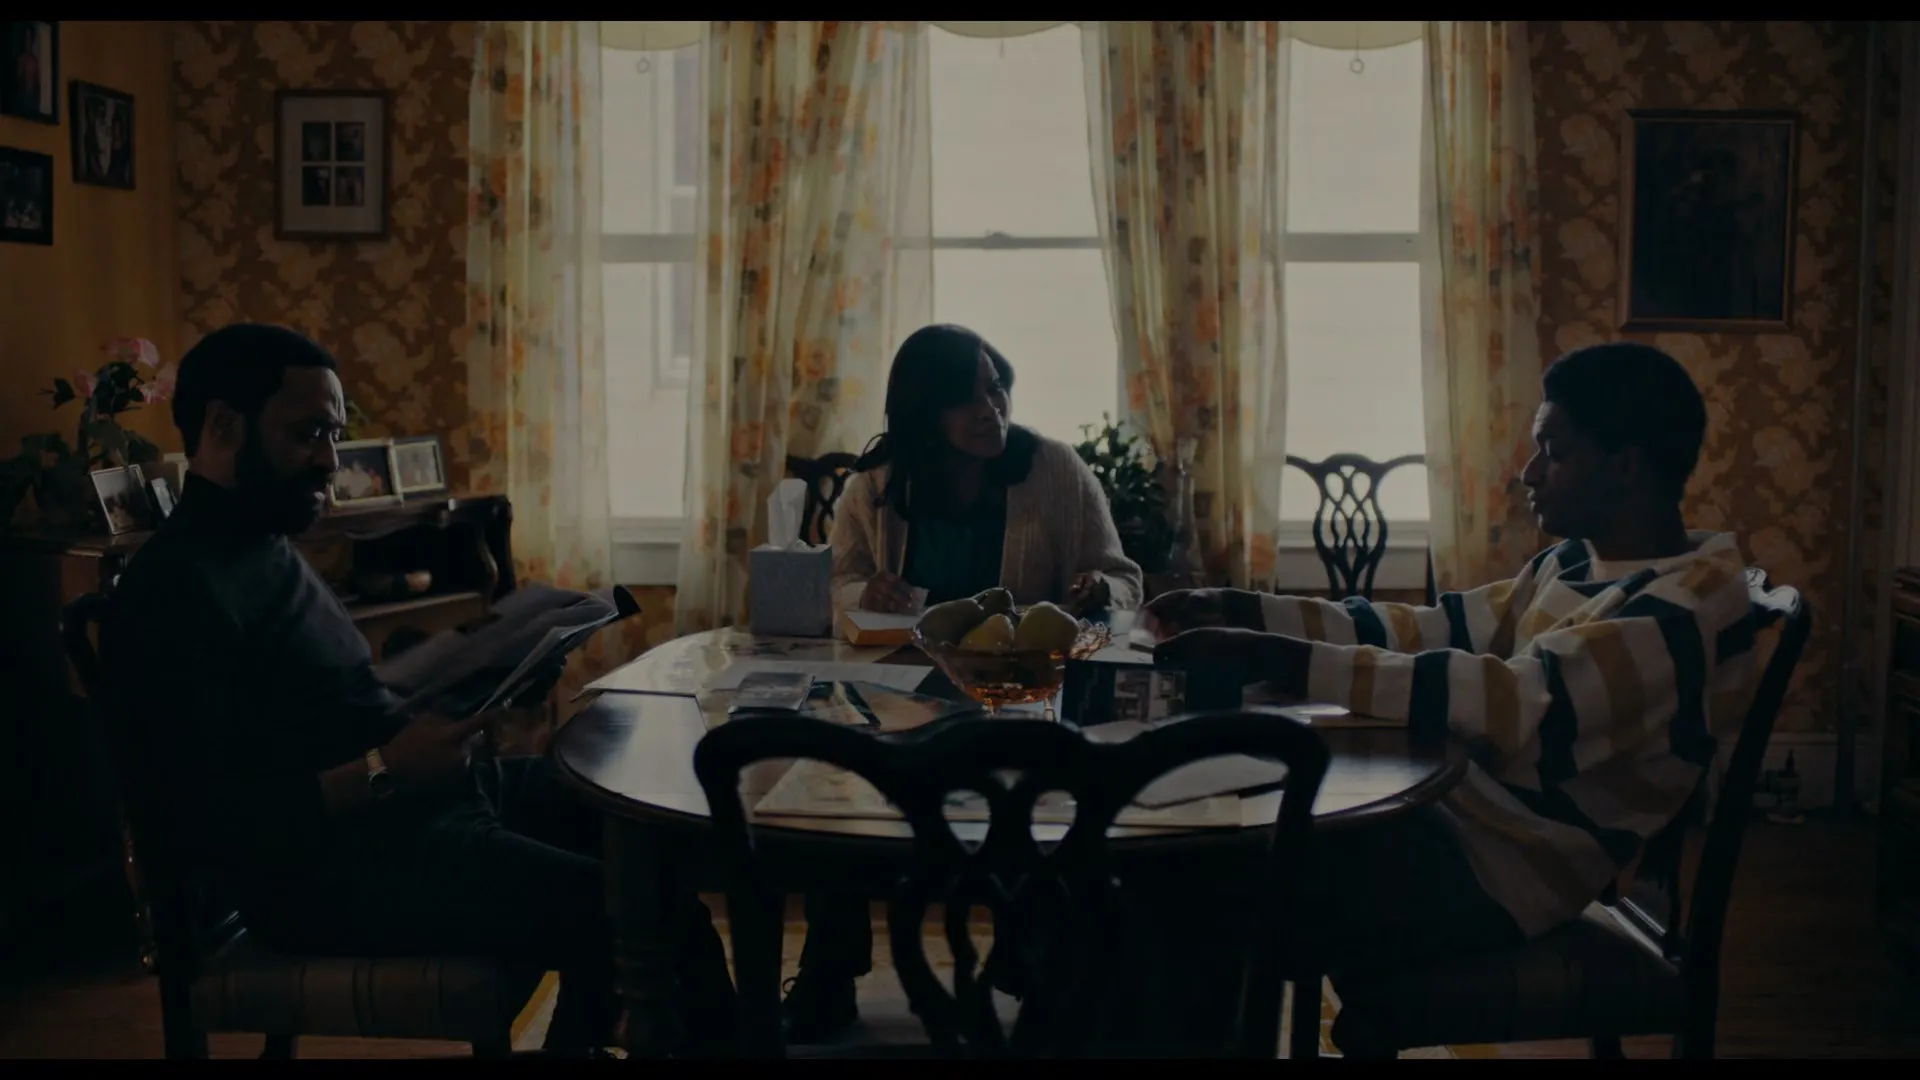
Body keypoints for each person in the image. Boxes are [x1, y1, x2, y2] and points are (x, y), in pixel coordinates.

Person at [103, 324, 733, 1055]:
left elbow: (322, 705)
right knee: (660, 920)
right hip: (332, 872)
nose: (330, 460)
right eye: (308, 433)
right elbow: (202, 824)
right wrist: (386, 769)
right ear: (221, 425)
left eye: (334, 435)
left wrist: (481, 679)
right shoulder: (174, 590)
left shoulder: (262, 542)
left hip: (418, 808)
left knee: (641, 830)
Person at [1145, 341, 1759, 1019]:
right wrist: (1249, 610)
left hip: (1500, 877)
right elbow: (1436, 630)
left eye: (1554, 452)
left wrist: (1279, 658)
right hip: (1453, 826)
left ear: (1626, 466)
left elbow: (1513, 702)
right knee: (1199, 865)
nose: (1529, 472)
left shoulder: (1681, 614)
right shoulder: (1576, 562)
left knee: (1203, 894)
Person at [785, 324, 1144, 1042]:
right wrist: (864, 592)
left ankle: (1029, 960)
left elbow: (1124, 578)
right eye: (966, 397)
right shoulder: (877, 485)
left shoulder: (1054, 469)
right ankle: (829, 969)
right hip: (900, 700)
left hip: (1024, 704)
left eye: (996, 387)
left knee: (1040, 810)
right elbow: (836, 585)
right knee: (830, 781)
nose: (991, 408)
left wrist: (1098, 588)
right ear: (925, 412)